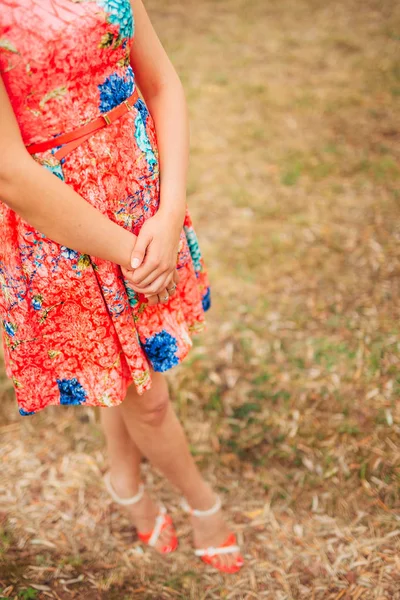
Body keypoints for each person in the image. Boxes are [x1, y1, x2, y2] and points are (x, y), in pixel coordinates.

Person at [0, 0, 243, 574]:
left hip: (140, 193)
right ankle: (202, 504)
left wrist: (170, 206)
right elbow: (8, 171)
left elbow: (161, 82)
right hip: (63, 231)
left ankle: (123, 475)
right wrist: (131, 252)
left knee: (133, 365)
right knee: (151, 403)